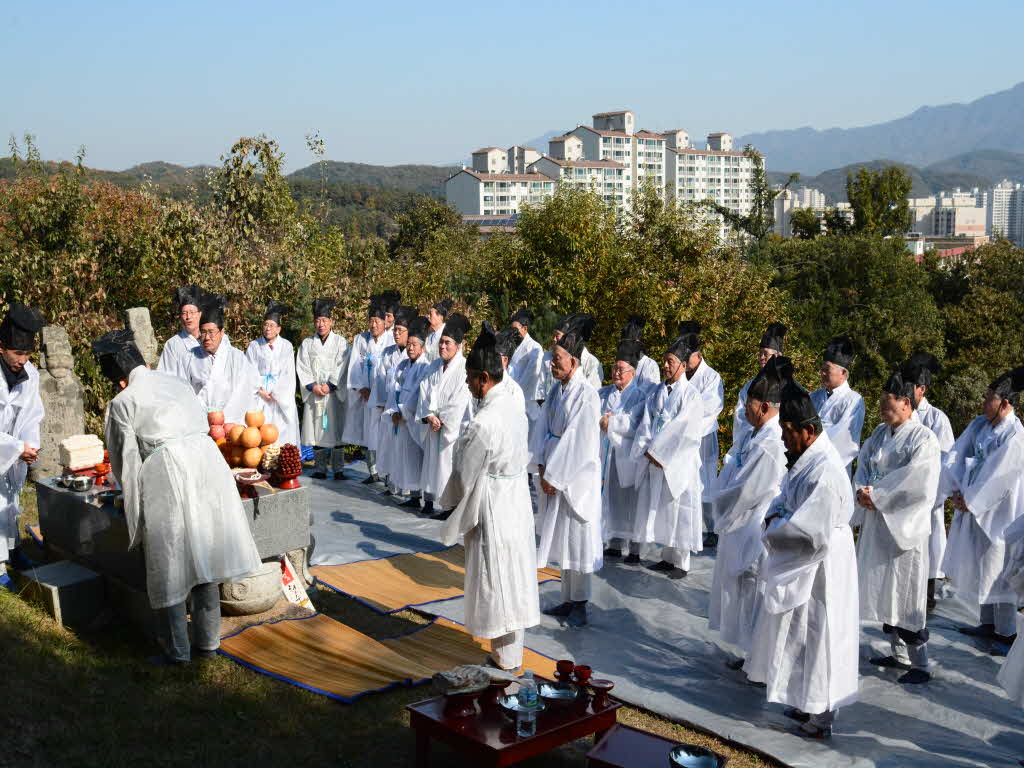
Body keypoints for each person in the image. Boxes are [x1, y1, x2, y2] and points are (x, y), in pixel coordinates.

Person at [94, 330, 260, 665]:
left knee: (168, 558)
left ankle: (176, 650)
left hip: (167, 470)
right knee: (204, 553)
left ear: (120, 380)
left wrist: (131, 500)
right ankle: (208, 643)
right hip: (207, 464)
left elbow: (125, 459)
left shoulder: (123, 402)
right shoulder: (175, 382)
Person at [745, 369, 859, 740]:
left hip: (822, 563)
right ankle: (805, 701)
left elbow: (807, 530)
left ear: (806, 430)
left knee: (821, 635)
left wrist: (774, 525)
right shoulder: (808, 457)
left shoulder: (825, 470)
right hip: (806, 561)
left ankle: (821, 715)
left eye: (787, 432)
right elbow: (783, 499)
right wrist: (776, 517)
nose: (783, 439)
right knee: (801, 634)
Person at [438, 324, 540, 670]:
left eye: (470, 380)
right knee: (515, 577)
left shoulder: (484, 422)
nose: (467, 386)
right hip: (516, 499)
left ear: (484, 379)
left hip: (494, 503)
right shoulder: (513, 404)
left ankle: (503, 659)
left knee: (497, 579)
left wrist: (453, 499)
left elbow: (465, 472)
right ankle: (510, 654)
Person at [854, 369, 941, 684]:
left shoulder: (923, 438)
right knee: (883, 593)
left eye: (887, 404)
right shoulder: (880, 432)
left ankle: (921, 665)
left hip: (903, 528)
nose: (882, 410)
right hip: (877, 522)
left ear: (906, 403)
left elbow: (918, 481)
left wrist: (877, 496)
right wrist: (861, 491)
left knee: (905, 597)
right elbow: (864, 464)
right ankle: (898, 654)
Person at [708, 356, 788, 668]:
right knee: (741, 590)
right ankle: (748, 653)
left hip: (754, 521)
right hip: (738, 518)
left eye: (749, 405)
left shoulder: (772, 441)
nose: (744, 410)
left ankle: (759, 661)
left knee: (754, 588)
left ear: (765, 407)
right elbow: (732, 466)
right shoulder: (753, 434)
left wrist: (720, 502)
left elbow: (749, 488)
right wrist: (722, 494)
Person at [942, 366, 1024, 649]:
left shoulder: (1015, 434)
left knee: (999, 566)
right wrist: (956, 489)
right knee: (983, 565)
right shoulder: (980, 424)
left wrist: (972, 500)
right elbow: (957, 453)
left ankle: (1007, 632)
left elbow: (1001, 476)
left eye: (989, 398)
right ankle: (987, 623)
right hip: (974, 504)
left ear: (1005, 403)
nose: (983, 403)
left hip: (1000, 510)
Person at [533, 330, 603, 628]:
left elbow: (579, 442)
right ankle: (567, 598)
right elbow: (541, 428)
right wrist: (540, 464)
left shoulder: (587, 394)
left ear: (573, 361)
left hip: (576, 476)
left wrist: (555, 475)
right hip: (554, 467)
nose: (552, 363)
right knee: (564, 537)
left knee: (578, 538)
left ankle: (581, 603)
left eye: (558, 358)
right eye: (552, 357)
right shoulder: (555, 391)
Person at [631, 332, 705, 577]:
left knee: (681, 510)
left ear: (683, 365)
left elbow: (684, 429)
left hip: (678, 461)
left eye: (670, 362)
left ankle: (681, 563)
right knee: (666, 510)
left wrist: (658, 452)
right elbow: (646, 422)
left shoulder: (691, 395)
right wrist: (647, 448)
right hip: (656, 458)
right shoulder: (657, 391)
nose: (665, 365)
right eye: (664, 361)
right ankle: (666, 556)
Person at [901, 352, 954, 613]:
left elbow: (947, 463)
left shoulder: (937, 418)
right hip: (902, 497)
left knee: (928, 549)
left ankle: (927, 598)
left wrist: (932, 497)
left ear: (922, 389)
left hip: (927, 497)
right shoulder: (901, 413)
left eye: (910, 386)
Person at [0, 303, 45, 581]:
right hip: (5, 448)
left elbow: (31, 415)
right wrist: (16, 448)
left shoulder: (31, 375)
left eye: (27, 354)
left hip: (13, 451)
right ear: (1, 347)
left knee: (10, 501)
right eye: (17, 353)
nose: (22, 360)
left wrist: (29, 444)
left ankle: (13, 549)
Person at [600, 340, 653, 562]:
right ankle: (613, 542)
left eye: (621, 369)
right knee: (612, 499)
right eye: (614, 368)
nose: (616, 373)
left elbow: (635, 424)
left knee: (633, 502)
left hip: (629, 456)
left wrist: (611, 422)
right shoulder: (604, 393)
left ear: (632, 372)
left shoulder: (640, 396)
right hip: (607, 455)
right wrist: (605, 421)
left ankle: (634, 548)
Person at [416, 313, 472, 519]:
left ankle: (450, 507)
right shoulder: (433, 366)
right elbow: (423, 392)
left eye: (447, 343)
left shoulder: (464, 368)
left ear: (458, 346)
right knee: (432, 465)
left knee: (447, 466)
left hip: (450, 429)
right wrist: (429, 416)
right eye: (441, 342)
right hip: (434, 425)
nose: (442, 346)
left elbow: (460, 401)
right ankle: (430, 500)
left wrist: (442, 419)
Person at [178, 293, 259, 425]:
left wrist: (225, 418)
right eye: (203, 332)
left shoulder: (237, 357)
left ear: (221, 332)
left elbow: (245, 391)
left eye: (211, 332)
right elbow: (183, 390)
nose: (206, 337)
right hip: (198, 421)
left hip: (231, 422)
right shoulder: (190, 357)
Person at [676, 322, 724, 547]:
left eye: (689, 357)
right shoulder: (679, 374)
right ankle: (685, 529)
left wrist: (686, 416)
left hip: (703, 436)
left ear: (699, 355)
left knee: (706, 482)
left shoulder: (711, 377)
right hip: (681, 436)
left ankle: (712, 528)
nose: (685, 362)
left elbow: (710, 407)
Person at [296, 298, 349, 479]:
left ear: (331, 322)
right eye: (318, 321)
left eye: (324, 320)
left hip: (333, 394)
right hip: (315, 393)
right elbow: (302, 366)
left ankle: (338, 469)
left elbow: (343, 365)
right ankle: (320, 469)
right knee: (316, 431)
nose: (321, 324)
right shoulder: (307, 343)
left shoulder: (341, 342)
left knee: (336, 430)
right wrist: (313, 386)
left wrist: (330, 385)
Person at [385, 317, 432, 510]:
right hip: (403, 419)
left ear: (422, 348)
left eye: (414, 345)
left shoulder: (426, 367)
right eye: (409, 344)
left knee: (423, 460)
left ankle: (429, 501)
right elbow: (393, 389)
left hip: (415, 420)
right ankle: (414, 496)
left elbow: (419, 394)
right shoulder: (403, 365)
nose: (410, 348)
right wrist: (394, 410)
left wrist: (404, 410)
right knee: (409, 459)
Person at [344, 295, 390, 483]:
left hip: (383, 397)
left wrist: (380, 395)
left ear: (385, 323)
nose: (373, 325)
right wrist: (361, 388)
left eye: (377, 321)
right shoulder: (361, 339)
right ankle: (373, 471)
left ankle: (386, 472)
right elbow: (354, 365)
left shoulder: (391, 340)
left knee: (383, 434)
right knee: (369, 433)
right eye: (371, 321)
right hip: (365, 395)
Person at [245, 300, 299, 447]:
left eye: (272, 325)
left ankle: (281, 455)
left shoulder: (286, 346)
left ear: (278, 329)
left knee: (281, 428)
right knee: (260, 428)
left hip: (279, 395)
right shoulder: (254, 346)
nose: (268, 328)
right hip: (260, 393)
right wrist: (260, 390)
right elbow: (249, 371)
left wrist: (276, 393)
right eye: (265, 325)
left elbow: (288, 374)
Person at [809, 336, 865, 476]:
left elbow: (845, 442)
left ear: (843, 373)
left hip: (833, 470)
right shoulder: (813, 396)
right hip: (806, 464)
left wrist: (811, 446)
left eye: (827, 369)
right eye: (822, 368)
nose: (822, 373)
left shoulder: (854, 401)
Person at [374, 306, 413, 496]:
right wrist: (383, 403)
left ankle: (406, 487)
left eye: (401, 331)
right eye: (395, 330)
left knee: (405, 448)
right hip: (390, 407)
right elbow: (381, 378)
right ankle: (391, 484)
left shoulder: (415, 355)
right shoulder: (388, 352)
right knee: (389, 445)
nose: (396, 334)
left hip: (406, 409)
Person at [731, 322, 786, 450]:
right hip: (751, 441)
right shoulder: (750, 385)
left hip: (778, 442)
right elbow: (740, 414)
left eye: (765, 354)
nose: (761, 357)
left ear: (778, 356)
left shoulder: (788, 384)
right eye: (760, 353)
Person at [537, 314, 603, 399]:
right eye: (553, 335)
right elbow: (540, 388)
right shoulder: (547, 356)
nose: (554, 339)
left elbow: (593, 394)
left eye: (557, 335)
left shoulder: (591, 362)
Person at [508, 308, 544, 437]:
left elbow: (531, 377)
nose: (513, 333)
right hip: (510, 397)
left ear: (525, 329)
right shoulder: (513, 346)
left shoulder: (535, 348)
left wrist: (514, 394)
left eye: (515, 330)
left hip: (525, 403)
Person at [157, 284, 203, 376]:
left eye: (192, 312)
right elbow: (165, 378)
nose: (188, 317)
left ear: (200, 314)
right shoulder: (172, 345)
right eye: (184, 313)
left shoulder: (213, 339)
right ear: (180, 317)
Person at [619, 315, 660, 387]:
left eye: (629, 343)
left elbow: (651, 391)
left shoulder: (649, 364)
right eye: (624, 343)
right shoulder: (620, 363)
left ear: (638, 342)